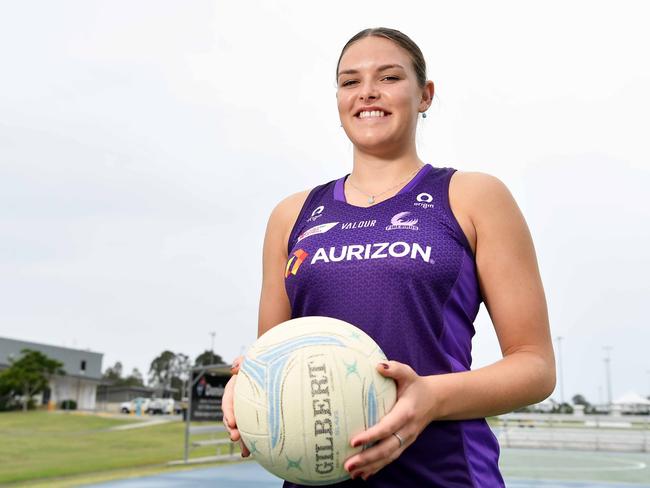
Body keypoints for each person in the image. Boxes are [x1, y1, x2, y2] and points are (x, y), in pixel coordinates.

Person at [222, 27, 555, 487]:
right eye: (350, 81)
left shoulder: (473, 196)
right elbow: (275, 359)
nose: (368, 93)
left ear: (425, 95)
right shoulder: (291, 215)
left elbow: (535, 366)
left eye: (390, 77)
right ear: (338, 98)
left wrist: (430, 398)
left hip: (445, 475)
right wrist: (244, 385)